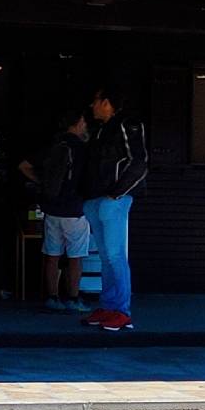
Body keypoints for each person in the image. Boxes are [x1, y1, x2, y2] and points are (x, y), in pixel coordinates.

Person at [81, 84, 148, 332]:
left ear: (107, 103)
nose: (92, 105)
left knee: (115, 255)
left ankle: (121, 311)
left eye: (96, 100)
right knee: (106, 257)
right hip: (97, 199)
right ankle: (109, 306)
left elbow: (139, 161)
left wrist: (116, 194)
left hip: (113, 199)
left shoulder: (127, 123)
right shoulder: (100, 129)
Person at [29, 105, 92, 313]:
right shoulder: (81, 148)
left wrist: (43, 184)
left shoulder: (54, 144)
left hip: (51, 207)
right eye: (83, 121)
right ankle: (73, 298)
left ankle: (52, 297)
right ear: (77, 123)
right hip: (74, 208)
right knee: (76, 256)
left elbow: (23, 165)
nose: (85, 125)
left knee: (52, 254)